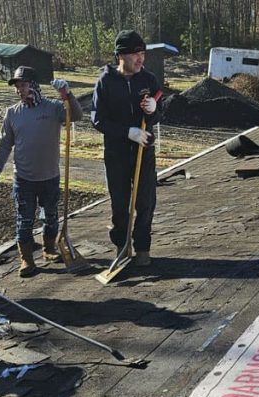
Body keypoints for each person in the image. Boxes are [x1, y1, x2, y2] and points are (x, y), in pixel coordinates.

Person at [0, 66, 82, 277]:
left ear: (34, 85)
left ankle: (49, 249)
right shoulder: (13, 113)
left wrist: (67, 94)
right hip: (24, 178)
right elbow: (4, 144)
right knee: (25, 220)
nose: (20, 90)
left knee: (51, 216)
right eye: (18, 86)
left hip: (49, 176)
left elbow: (76, 115)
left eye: (24, 85)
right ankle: (26, 259)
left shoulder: (53, 108)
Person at [91, 30, 162, 267]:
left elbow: (158, 113)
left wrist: (153, 110)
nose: (141, 59)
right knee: (119, 200)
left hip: (144, 149)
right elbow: (98, 120)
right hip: (117, 152)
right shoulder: (106, 81)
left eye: (142, 53)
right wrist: (127, 132)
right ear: (121, 55)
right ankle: (122, 246)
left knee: (145, 200)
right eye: (135, 54)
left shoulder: (148, 80)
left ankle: (142, 247)